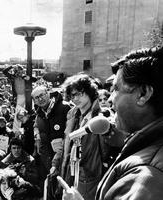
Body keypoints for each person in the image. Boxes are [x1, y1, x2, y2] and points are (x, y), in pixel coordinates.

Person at [61, 46, 163, 200]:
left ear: (143, 94)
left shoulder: (147, 176)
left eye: (116, 89)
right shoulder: (73, 116)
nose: (109, 98)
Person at [61, 73, 119, 200]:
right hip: (74, 172)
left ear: (89, 92)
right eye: (72, 95)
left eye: (79, 93)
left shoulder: (102, 115)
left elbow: (109, 147)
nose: (75, 98)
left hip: (92, 175)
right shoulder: (73, 115)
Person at [31, 86, 71, 179]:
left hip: (65, 159)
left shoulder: (65, 107)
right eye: (37, 98)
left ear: (48, 94)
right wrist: (37, 140)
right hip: (48, 161)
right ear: (35, 101)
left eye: (42, 95)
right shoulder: (39, 115)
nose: (40, 99)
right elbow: (36, 127)